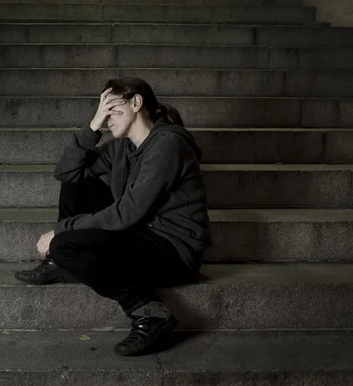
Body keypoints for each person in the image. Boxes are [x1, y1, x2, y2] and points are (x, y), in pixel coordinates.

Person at [15, 76, 212, 356]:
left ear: (136, 102)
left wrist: (63, 230)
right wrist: (92, 126)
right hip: (142, 232)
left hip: (174, 250)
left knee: (65, 244)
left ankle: (149, 312)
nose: (106, 118)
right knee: (77, 181)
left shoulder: (168, 145)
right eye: (102, 111)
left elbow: (129, 211)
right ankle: (65, 262)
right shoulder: (123, 146)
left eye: (111, 109)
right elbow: (66, 173)